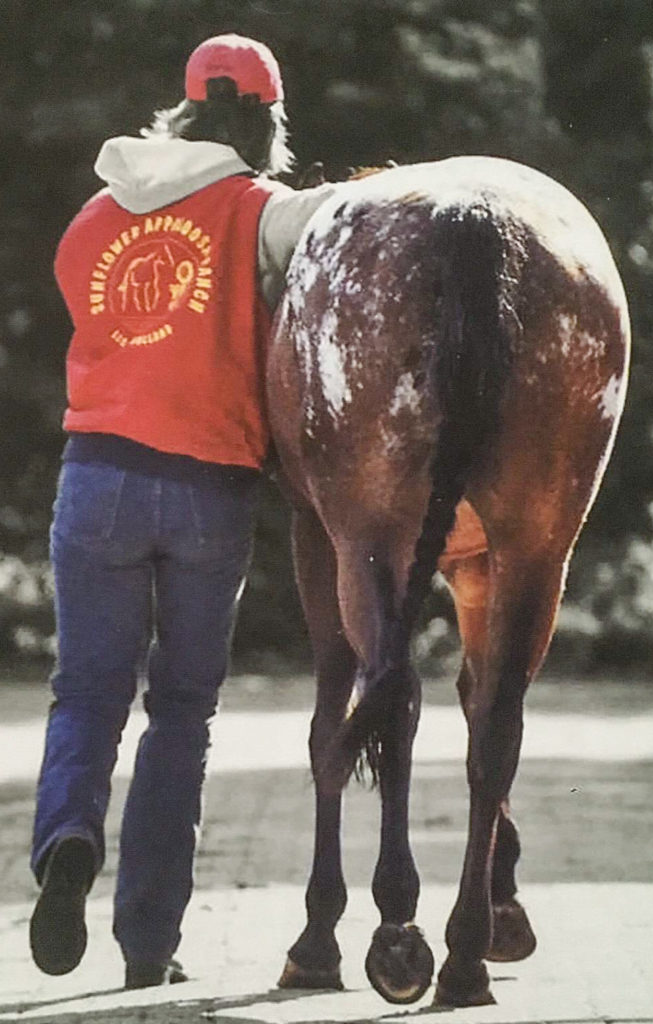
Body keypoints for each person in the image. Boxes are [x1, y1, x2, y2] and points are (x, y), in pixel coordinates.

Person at [29, 33, 338, 989]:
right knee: (183, 714)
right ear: (266, 118)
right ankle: (148, 949)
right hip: (207, 485)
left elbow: (87, 306)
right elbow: (328, 232)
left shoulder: (95, 211)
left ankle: (69, 839)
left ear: (187, 108)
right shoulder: (260, 211)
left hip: (97, 476)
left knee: (85, 691)